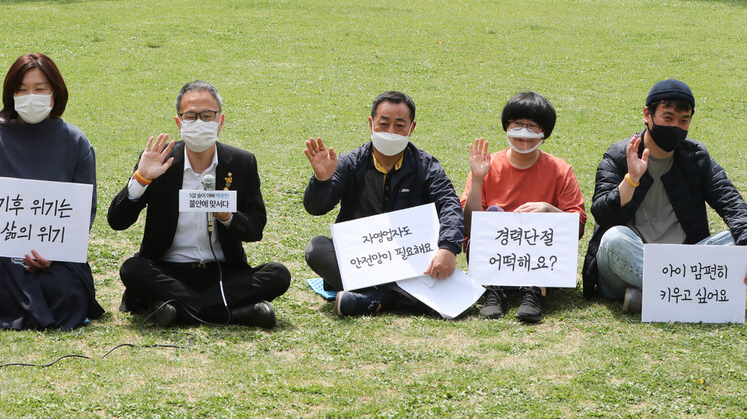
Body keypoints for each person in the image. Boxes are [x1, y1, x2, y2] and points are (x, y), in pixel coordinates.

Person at [108, 80, 290, 328]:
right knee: (132, 268)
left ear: (220, 121)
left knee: (278, 274)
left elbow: (255, 228)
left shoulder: (241, 162)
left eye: (207, 115)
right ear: (178, 122)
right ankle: (236, 314)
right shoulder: (159, 162)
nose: (200, 122)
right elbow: (117, 221)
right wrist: (142, 179)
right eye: (191, 116)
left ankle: (175, 309)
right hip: (167, 271)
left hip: (222, 273)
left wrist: (228, 217)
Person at [0, 53, 104, 330]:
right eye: (22, 90)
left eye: (39, 89)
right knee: (2, 278)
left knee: (68, 292)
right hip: (2, 249)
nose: (30, 96)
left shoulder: (76, 141)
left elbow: (85, 212)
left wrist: (55, 252)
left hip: (56, 250)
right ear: (11, 94)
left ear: (55, 93)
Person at [583, 79, 747, 312]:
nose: (675, 127)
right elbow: (602, 212)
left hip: (682, 262)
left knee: (735, 240)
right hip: (629, 264)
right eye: (667, 118)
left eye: (684, 121)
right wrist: (631, 179)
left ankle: (648, 298)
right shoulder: (619, 155)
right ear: (647, 115)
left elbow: (730, 201)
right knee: (613, 240)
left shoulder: (696, 157)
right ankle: (683, 295)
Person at [303, 91, 465, 317]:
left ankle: (372, 296)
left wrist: (448, 247)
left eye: (399, 125)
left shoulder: (426, 166)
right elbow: (316, 208)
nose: (391, 132)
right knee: (317, 248)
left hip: (410, 260)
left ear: (412, 128)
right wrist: (322, 181)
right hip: (362, 257)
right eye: (384, 123)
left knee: (438, 275)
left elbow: (450, 205)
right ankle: (396, 296)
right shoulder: (350, 163)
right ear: (371, 124)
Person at [461, 92, 586, 323]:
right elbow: (469, 226)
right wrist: (477, 179)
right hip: (493, 256)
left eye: (532, 126)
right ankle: (493, 289)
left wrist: (549, 210)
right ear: (507, 126)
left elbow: (576, 227)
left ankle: (534, 290)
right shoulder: (487, 166)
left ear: (544, 133)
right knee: (491, 218)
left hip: (540, 259)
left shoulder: (560, 170)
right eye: (517, 124)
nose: (523, 133)